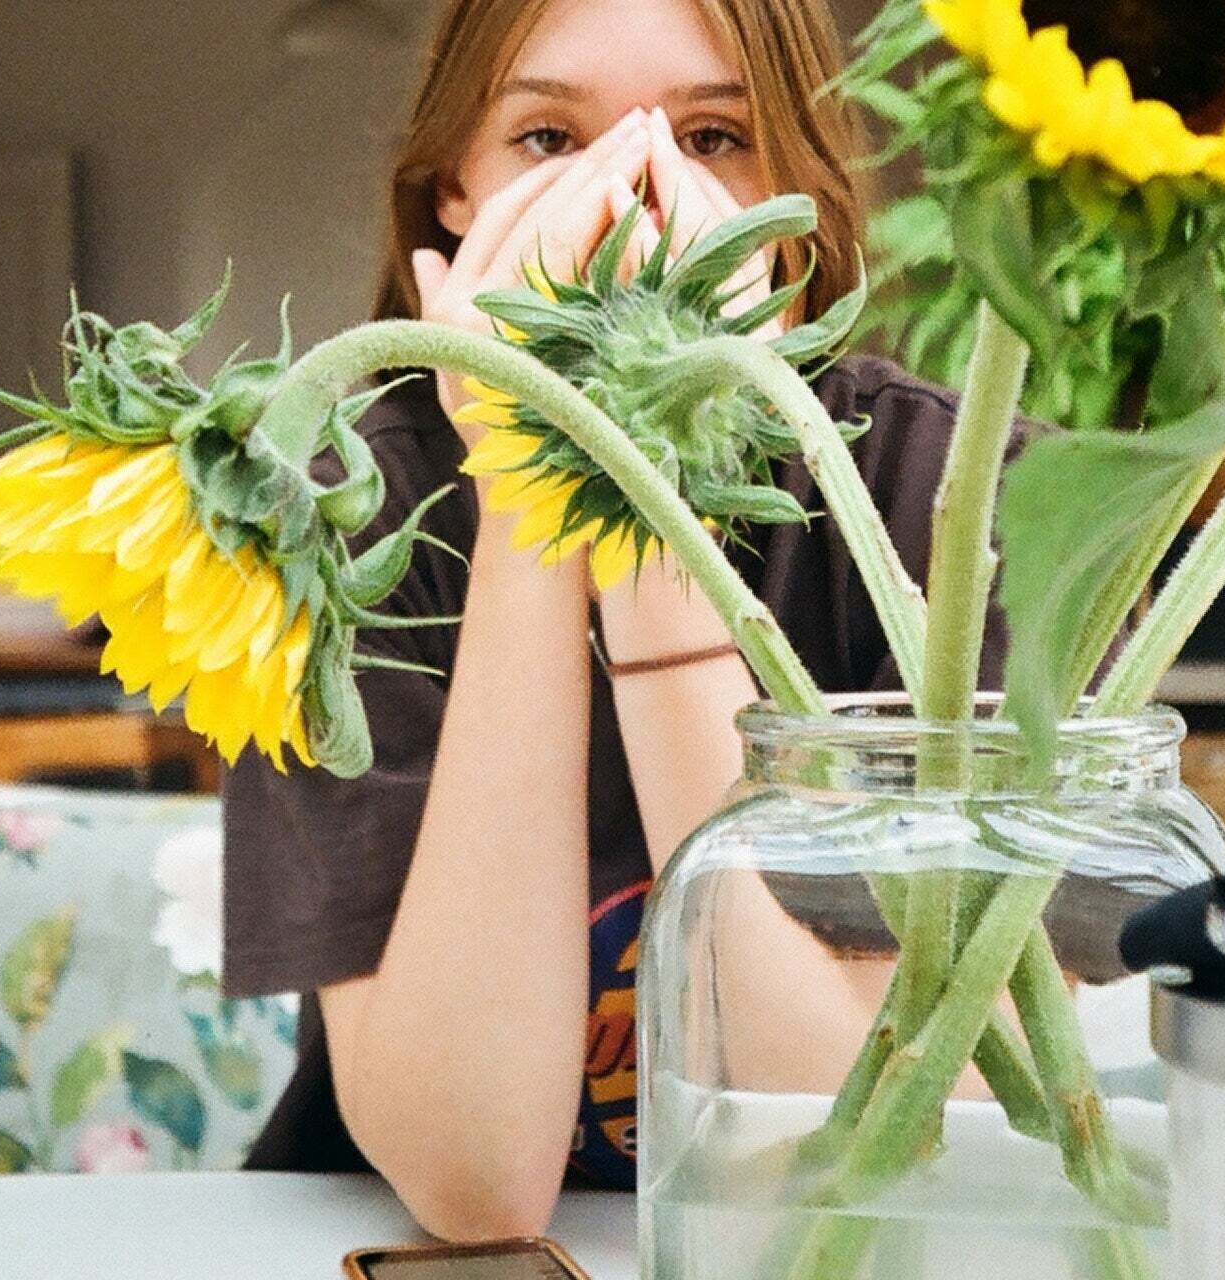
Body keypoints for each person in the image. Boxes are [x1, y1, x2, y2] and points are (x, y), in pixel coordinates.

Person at [222, 0, 996, 1241]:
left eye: (712, 137)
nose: (635, 199)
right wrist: (536, 486)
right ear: (451, 201)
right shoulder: (331, 530)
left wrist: (659, 547)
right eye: (546, 139)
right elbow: (475, 1187)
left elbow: (862, 1149)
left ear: (796, 201)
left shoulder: (942, 494)